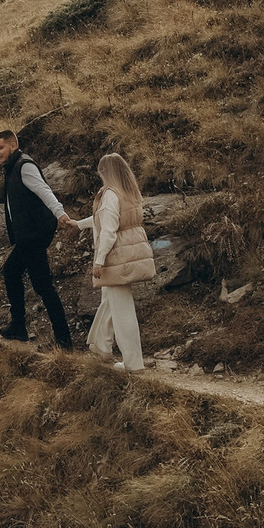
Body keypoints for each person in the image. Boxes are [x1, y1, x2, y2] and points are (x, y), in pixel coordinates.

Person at [0, 128, 74, 347]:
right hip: (27, 235)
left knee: (43, 286)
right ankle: (18, 327)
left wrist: (60, 213)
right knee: (11, 271)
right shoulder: (12, 167)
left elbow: (44, 190)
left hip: (33, 235)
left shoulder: (24, 166)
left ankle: (64, 341)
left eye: (0, 147)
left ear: (13, 146)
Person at [80, 150, 154, 371]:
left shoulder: (110, 194)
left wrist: (99, 261)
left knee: (123, 312)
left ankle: (133, 363)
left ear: (106, 172)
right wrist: (77, 224)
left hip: (117, 256)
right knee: (109, 301)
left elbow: (109, 230)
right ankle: (102, 346)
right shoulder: (129, 192)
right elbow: (103, 218)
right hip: (131, 254)